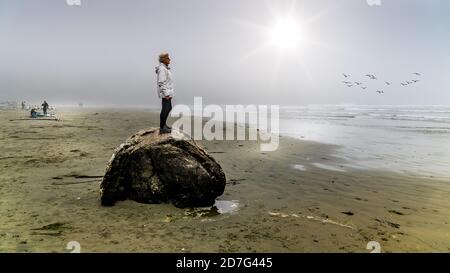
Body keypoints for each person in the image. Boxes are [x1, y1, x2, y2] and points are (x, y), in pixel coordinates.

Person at [155, 53, 174, 134]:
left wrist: (169, 93)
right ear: (163, 59)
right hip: (166, 93)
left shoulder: (165, 68)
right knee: (165, 109)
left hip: (168, 92)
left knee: (168, 108)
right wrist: (166, 94)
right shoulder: (162, 69)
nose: (169, 59)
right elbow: (161, 82)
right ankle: (162, 128)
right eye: (167, 58)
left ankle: (164, 125)